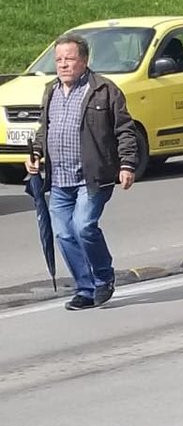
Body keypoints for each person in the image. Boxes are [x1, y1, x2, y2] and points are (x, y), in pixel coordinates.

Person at [28, 34, 138, 310]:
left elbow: (125, 129)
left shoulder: (104, 90)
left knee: (84, 226)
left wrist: (127, 165)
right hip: (59, 178)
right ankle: (85, 289)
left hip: (93, 177)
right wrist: (36, 155)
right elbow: (45, 130)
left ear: (85, 60)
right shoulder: (51, 90)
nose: (63, 65)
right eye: (59, 60)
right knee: (64, 234)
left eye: (70, 59)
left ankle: (103, 277)